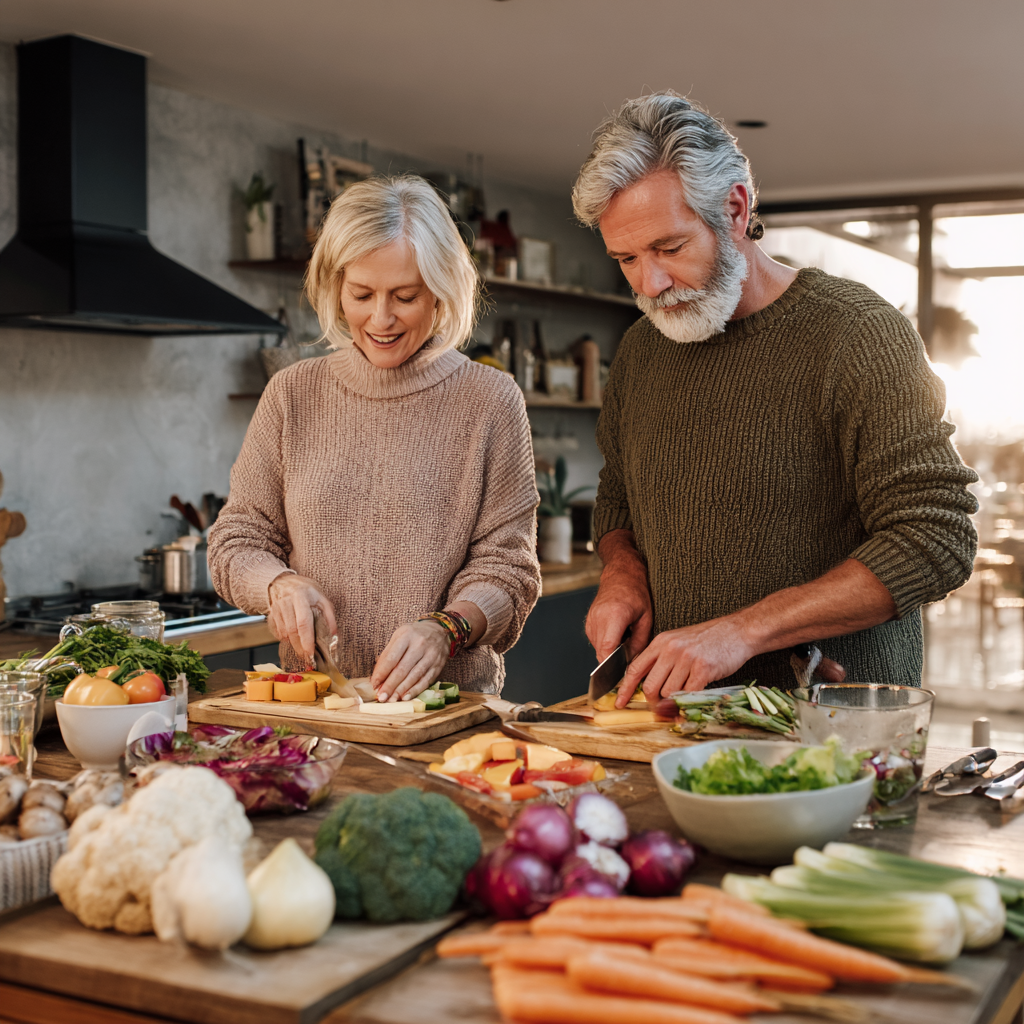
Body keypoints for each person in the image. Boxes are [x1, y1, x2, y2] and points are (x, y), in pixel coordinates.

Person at [571, 93, 978, 705]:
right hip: (675, 722)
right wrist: (622, 571)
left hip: (835, 723)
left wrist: (742, 632)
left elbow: (936, 537)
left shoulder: (857, 334)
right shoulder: (639, 352)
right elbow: (618, 500)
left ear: (735, 208)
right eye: (626, 258)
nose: (648, 284)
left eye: (670, 248)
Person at [208, 176, 541, 699]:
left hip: (444, 711)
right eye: (362, 294)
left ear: (441, 290)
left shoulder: (490, 400)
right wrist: (279, 584)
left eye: (404, 296)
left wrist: (446, 630)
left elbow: (509, 569)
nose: (380, 318)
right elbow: (237, 540)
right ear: (336, 288)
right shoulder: (292, 394)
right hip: (316, 705)